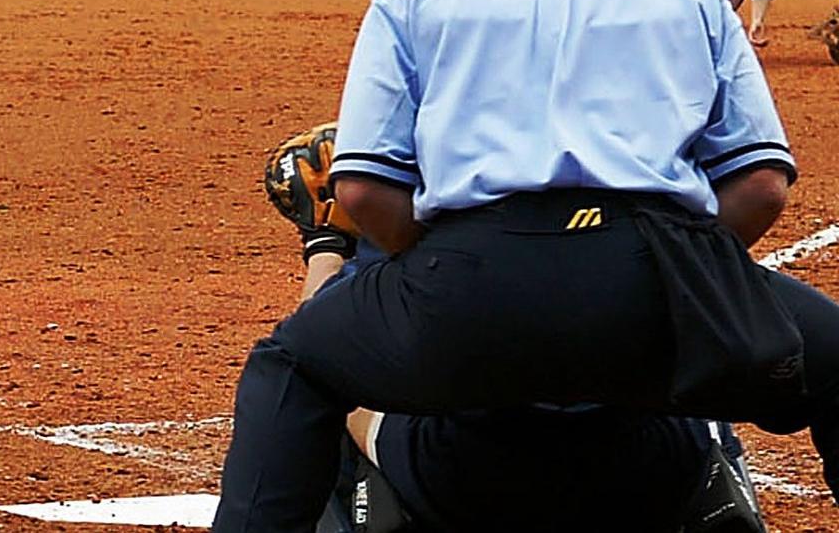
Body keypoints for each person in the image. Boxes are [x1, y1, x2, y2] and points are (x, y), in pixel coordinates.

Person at [212, 0, 839, 533]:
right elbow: (763, 186)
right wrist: (684, 272)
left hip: (471, 285)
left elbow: (364, 193)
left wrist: (441, 262)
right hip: (652, 278)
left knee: (293, 366)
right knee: (832, 355)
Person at [263, 125, 766, 533]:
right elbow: (759, 192)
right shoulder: (640, 195)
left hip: (458, 478)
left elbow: (326, 344)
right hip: (651, 471)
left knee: (317, 376)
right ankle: (723, 502)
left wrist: (324, 242)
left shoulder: (424, 226)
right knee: (707, 329)